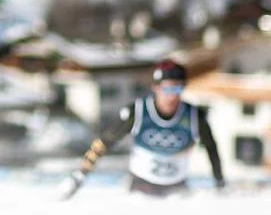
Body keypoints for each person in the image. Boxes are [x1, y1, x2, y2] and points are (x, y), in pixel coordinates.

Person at [59, 59, 225, 200]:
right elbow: (105, 143)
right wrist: (80, 175)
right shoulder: (138, 112)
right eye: (167, 89)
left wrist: (219, 183)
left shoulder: (194, 116)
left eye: (178, 89)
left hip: (177, 187)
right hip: (141, 186)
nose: (172, 96)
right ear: (156, 88)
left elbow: (212, 149)